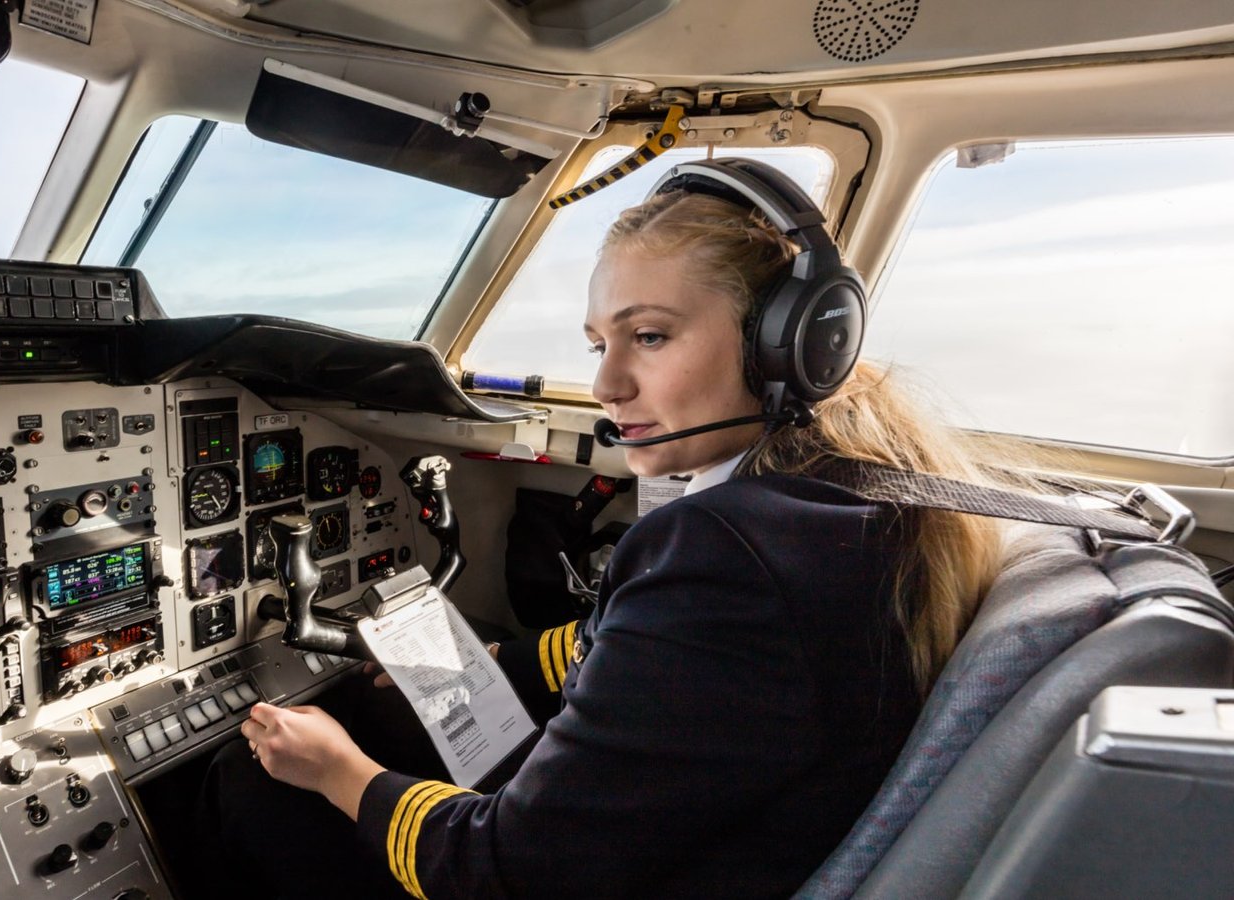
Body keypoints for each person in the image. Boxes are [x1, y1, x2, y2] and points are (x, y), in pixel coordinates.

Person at [200, 161, 1023, 899]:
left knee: (250, 775)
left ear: (785, 344)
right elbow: (660, 658)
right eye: (600, 343)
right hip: (733, 841)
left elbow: (506, 871)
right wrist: (498, 664)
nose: (606, 384)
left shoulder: (729, 548)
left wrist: (340, 773)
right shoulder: (847, 495)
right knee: (390, 708)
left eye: (650, 336)